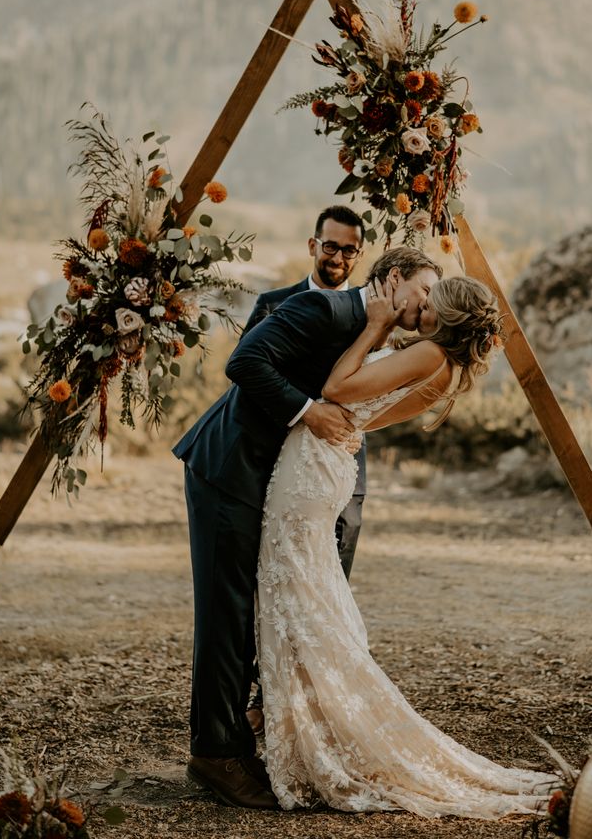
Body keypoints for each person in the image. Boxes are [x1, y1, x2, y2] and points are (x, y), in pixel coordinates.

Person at [254, 271, 558, 818]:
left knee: (298, 602)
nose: (421, 301)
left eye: (430, 298)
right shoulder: (442, 364)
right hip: (328, 463)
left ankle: (320, 735)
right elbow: (365, 416)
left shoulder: (430, 357)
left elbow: (336, 391)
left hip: (311, 471)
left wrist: (372, 327)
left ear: (444, 316)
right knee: (304, 603)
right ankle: (301, 725)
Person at [173, 246, 442, 810]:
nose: (427, 303)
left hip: (268, 481)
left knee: (249, 608)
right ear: (393, 280)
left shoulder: (380, 333)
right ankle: (215, 755)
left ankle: (234, 739)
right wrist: (307, 411)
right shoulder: (321, 310)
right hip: (228, 468)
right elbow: (244, 363)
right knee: (227, 611)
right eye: (422, 290)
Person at [242, 205, 368, 737]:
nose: (337, 256)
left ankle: (317, 697)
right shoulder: (273, 304)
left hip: (340, 464)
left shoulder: (368, 317)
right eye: (330, 246)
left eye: (348, 249)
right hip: (280, 461)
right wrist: (301, 417)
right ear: (312, 245)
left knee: (330, 573)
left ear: (359, 256)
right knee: (271, 579)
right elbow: (248, 380)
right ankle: (261, 695)